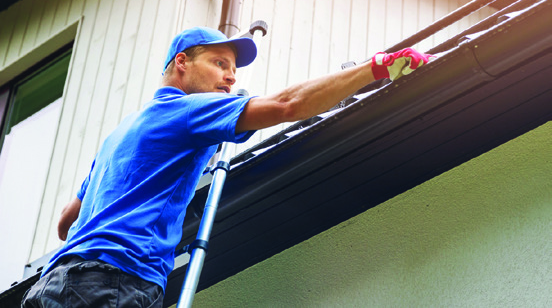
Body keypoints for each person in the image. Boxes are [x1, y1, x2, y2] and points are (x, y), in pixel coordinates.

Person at [21, 26, 432, 307]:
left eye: (233, 71)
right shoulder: (186, 111)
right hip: (113, 283)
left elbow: (66, 223)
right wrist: (374, 68)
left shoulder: (118, 135)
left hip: (55, 286)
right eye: (220, 64)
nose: (231, 78)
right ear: (182, 62)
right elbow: (288, 105)